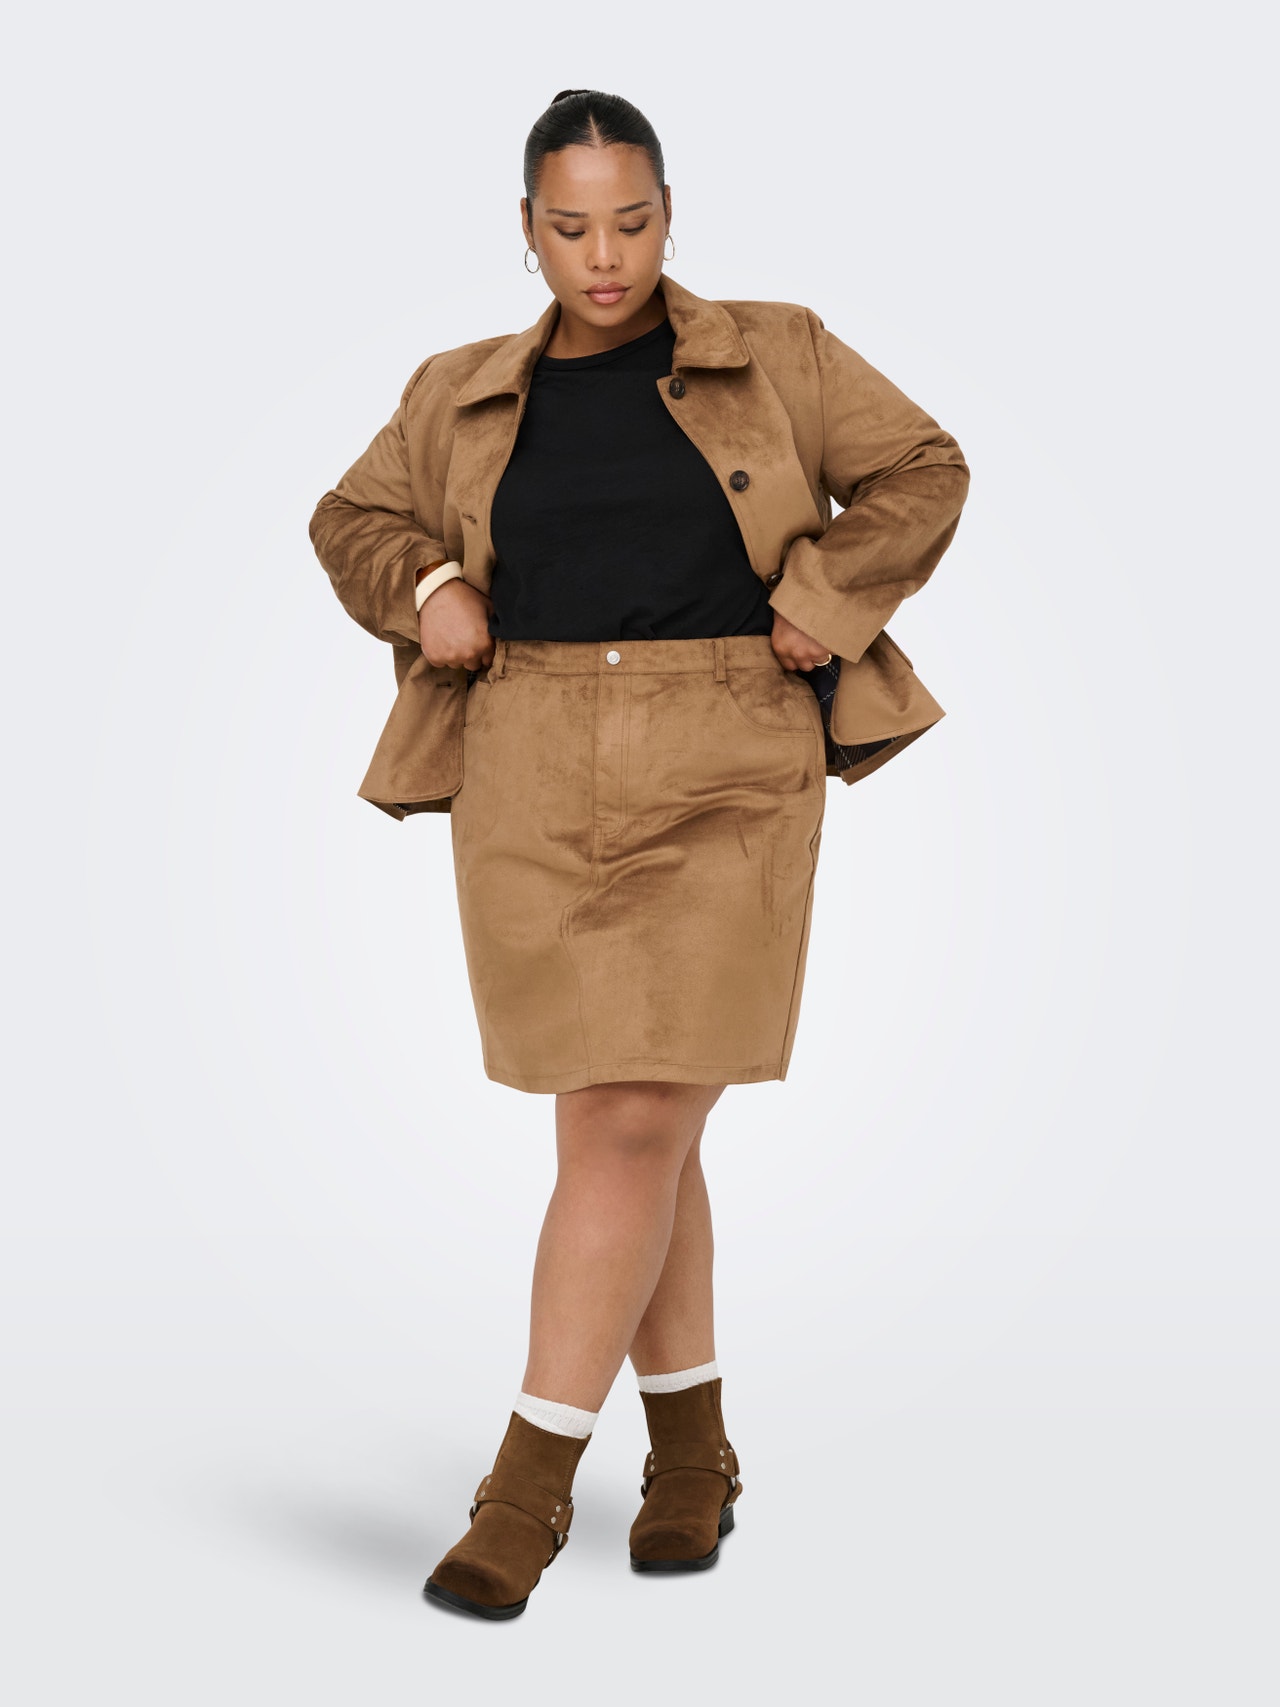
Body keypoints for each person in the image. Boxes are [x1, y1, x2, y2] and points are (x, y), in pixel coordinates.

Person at [308, 88, 969, 1621]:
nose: (603, 256)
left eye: (631, 221)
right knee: (632, 1129)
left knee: (627, 1121)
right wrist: (426, 586)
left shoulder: (779, 350)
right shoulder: (457, 390)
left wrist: (825, 596)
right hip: (528, 762)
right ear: (525, 230)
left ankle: (522, 1495)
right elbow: (350, 518)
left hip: (728, 753)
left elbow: (925, 469)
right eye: (570, 226)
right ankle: (689, 1458)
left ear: (670, 215)